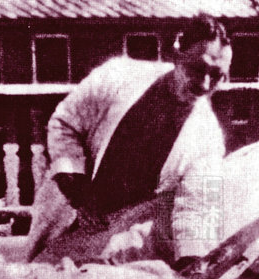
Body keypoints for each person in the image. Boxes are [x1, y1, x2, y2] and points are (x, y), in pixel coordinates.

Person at [25, 15, 232, 265]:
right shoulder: (116, 76)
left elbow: (198, 204)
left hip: (121, 228)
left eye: (217, 76)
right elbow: (65, 123)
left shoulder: (208, 137)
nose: (204, 84)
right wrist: (76, 191)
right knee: (34, 269)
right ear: (177, 54)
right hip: (68, 199)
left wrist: (193, 260)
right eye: (197, 69)